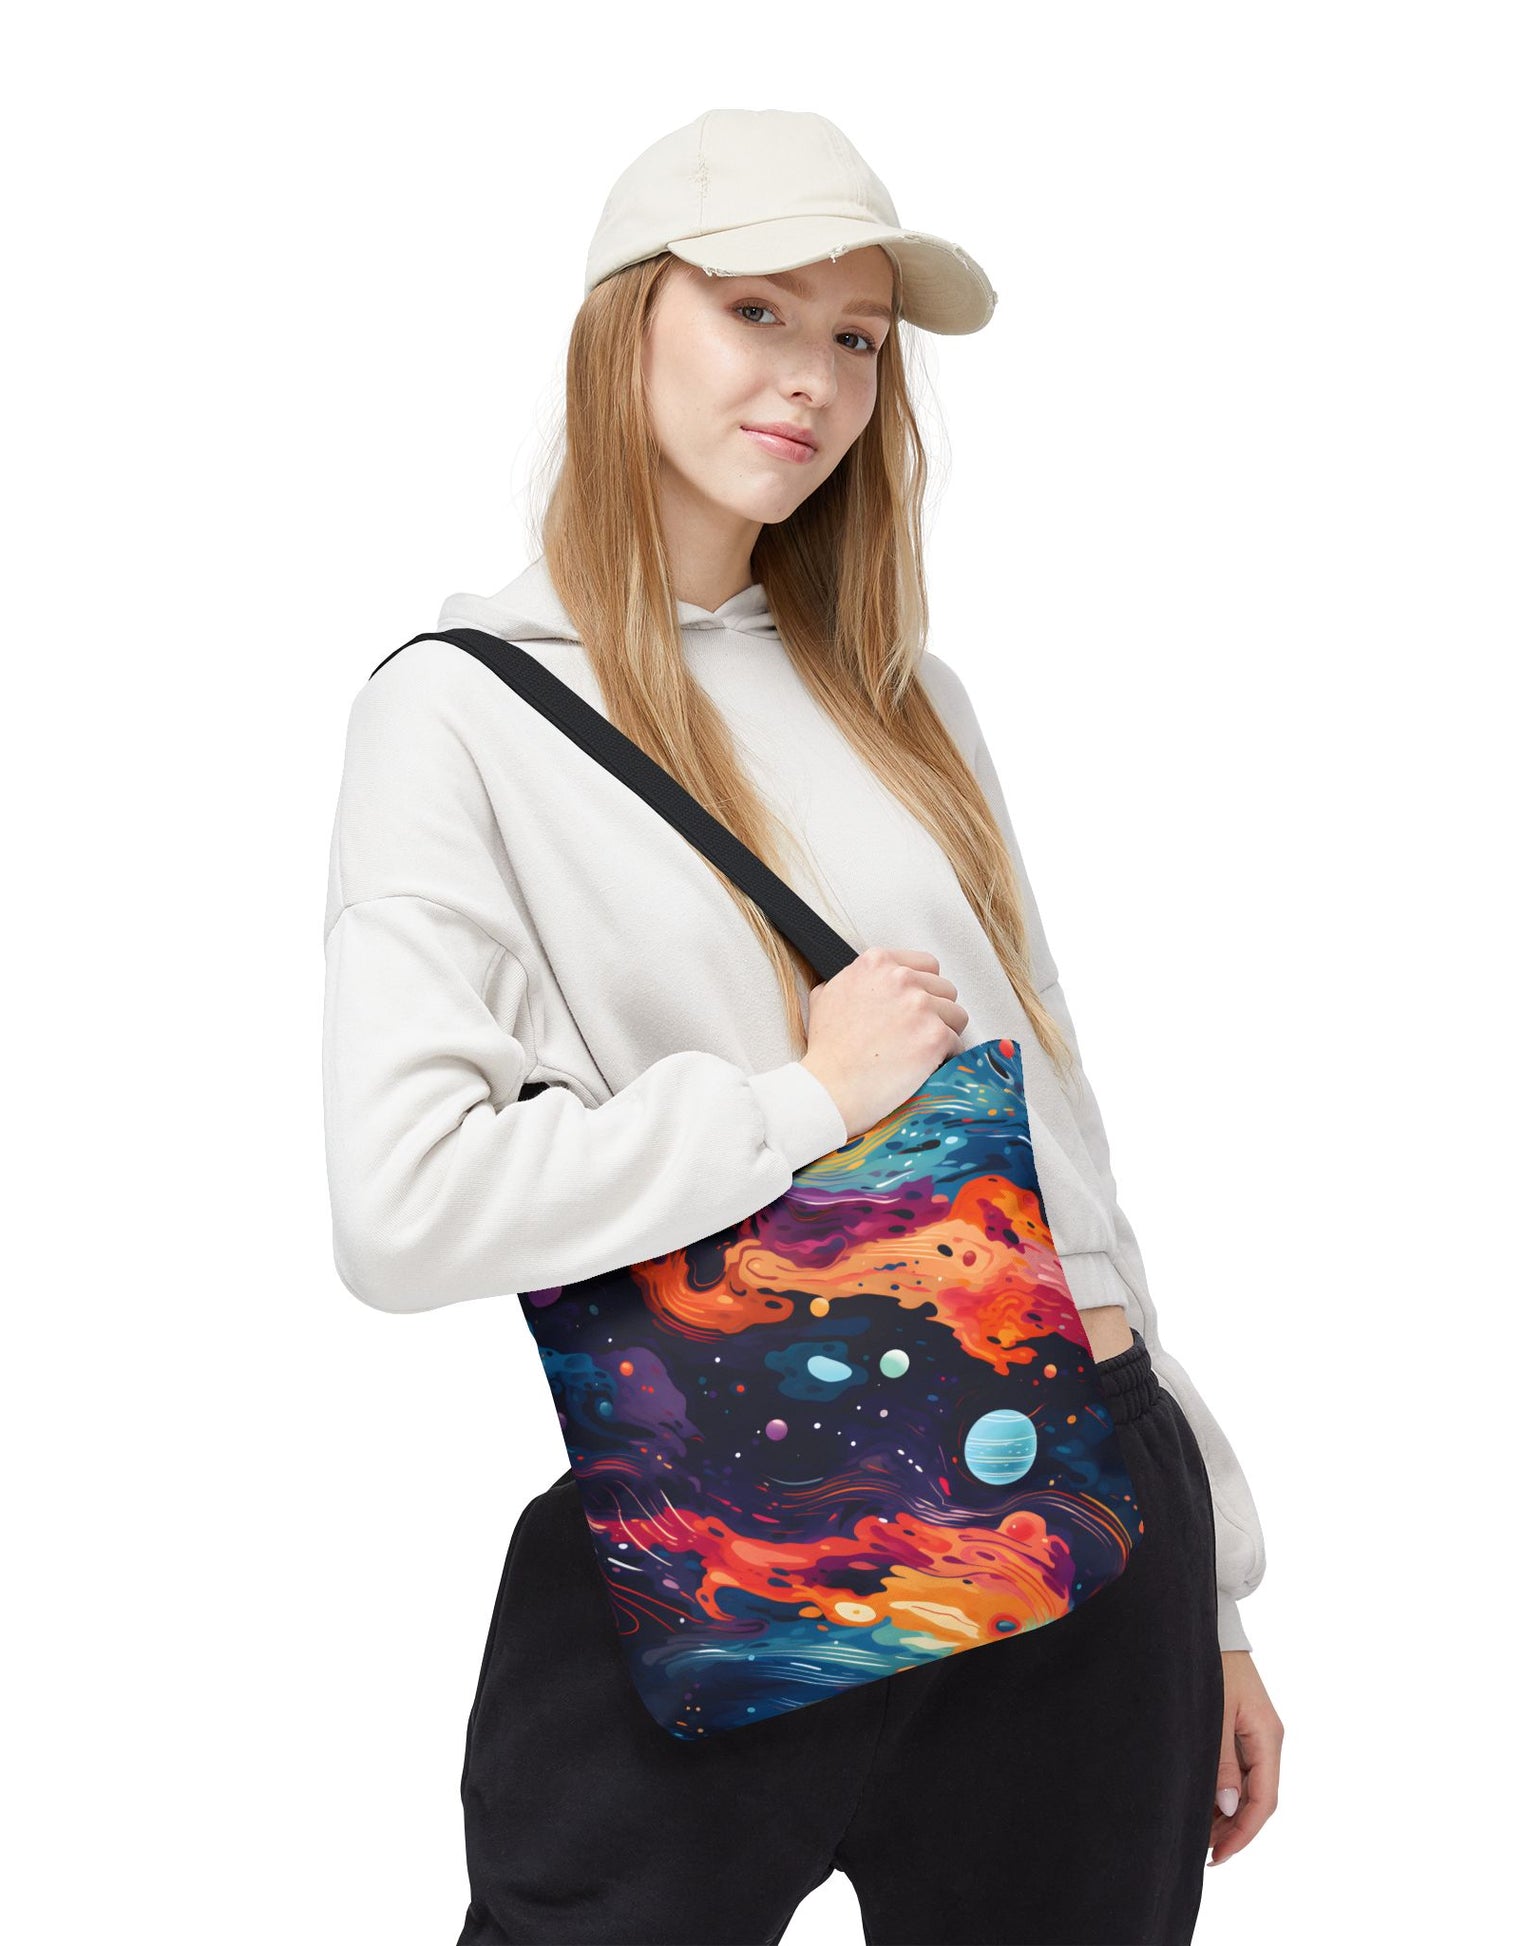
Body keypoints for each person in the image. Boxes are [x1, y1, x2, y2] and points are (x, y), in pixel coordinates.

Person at [322, 107, 1282, 1946]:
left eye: (855, 337)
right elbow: (404, 1203)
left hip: (1082, 1512)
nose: (815, 380)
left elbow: (1057, 1153)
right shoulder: (464, 714)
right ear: (625, 325)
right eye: (756, 309)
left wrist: (1218, 1589)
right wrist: (800, 1097)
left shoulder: (905, 697)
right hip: (728, 1521)